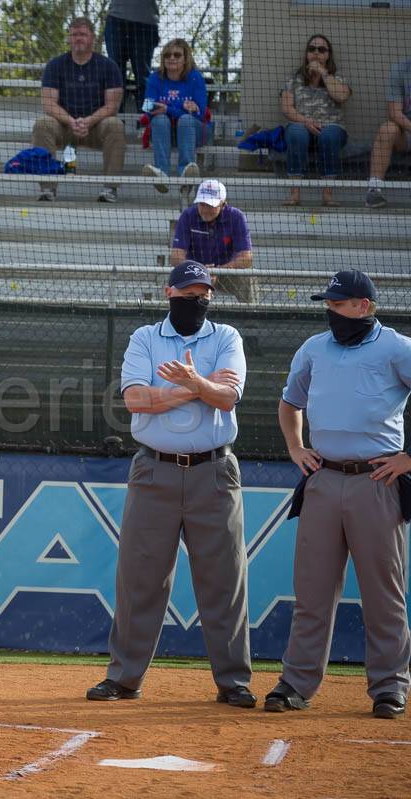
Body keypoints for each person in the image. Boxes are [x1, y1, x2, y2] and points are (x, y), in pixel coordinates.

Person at [87, 260, 254, 708]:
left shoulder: (225, 337)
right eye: (187, 292)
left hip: (214, 470)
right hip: (153, 469)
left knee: (224, 578)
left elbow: (228, 395)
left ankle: (233, 681)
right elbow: (136, 401)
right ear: (169, 293)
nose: (196, 299)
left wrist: (191, 384)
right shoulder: (145, 337)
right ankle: (124, 678)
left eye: (203, 292)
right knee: (140, 578)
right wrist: (197, 387)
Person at [265, 270, 410, 720]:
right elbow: (291, 403)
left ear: (363, 306)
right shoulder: (314, 348)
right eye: (328, 303)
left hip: (377, 481)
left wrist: (410, 458)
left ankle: (389, 687)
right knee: (311, 591)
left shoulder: (398, 348)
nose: (330, 311)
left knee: (383, 594)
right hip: (323, 479)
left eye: (339, 304)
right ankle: (296, 683)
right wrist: (295, 447)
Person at [32, 17, 125, 203]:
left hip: (95, 127)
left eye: (83, 34)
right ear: (69, 38)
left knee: (115, 124)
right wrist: (71, 121)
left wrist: (88, 121)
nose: (78, 38)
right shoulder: (55, 65)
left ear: (92, 38)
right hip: (64, 126)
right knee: (42, 124)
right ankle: (48, 188)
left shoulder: (108, 66)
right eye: (74, 34)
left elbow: (112, 106)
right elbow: (49, 103)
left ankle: (109, 188)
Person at [281, 34, 351, 207]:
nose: (316, 53)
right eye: (312, 49)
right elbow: (287, 108)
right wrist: (305, 122)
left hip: (331, 128)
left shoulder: (338, 78)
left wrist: (323, 73)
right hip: (301, 126)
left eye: (322, 49)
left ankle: (327, 193)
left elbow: (342, 96)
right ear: (306, 54)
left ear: (328, 55)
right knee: (296, 133)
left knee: (328, 136)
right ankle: (294, 193)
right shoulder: (294, 79)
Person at [171, 180, 256, 304]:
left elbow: (246, 258)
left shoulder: (236, 217)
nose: (205, 210)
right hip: (193, 273)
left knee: (246, 278)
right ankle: (174, 317)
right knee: (173, 277)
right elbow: (175, 257)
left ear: (223, 204)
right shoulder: (187, 216)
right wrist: (200, 271)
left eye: (211, 205)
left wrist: (219, 270)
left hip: (227, 273)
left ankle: (252, 317)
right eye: (202, 204)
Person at [142, 38, 208, 192]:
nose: (171, 58)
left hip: (194, 130)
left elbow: (200, 114)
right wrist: (180, 108)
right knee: (159, 120)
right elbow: (147, 108)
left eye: (177, 55)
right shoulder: (155, 78)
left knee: (186, 120)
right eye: (167, 55)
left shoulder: (195, 78)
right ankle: (162, 174)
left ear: (186, 59)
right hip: (165, 131)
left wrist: (168, 109)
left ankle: (186, 173)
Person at [365, 56, 411, 209]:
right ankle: (374, 190)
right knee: (387, 129)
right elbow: (394, 113)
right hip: (407, 130)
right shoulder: (401, 70)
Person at [104, 0, 159, 113]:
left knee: (144, 75)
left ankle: (146, 116)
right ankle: (115, 119)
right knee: (116, 74)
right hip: (116, 19)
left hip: (146, 21)